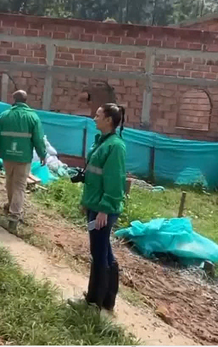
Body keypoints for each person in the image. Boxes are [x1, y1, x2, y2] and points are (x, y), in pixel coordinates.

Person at [80, 103, 127, 311]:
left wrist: (104, 209)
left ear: (108, 120)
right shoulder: (103, 141)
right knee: (104, 250)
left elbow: (115, 180)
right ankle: (107, 300)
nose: (94, 118)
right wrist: (87, 203)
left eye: (98, 115)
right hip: (95, 205)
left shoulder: (115, 146)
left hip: (102, 209)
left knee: (98, 252)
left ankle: (94, 301)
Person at [0, 90, 46, 230]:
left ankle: (11, 207)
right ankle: (14, 216)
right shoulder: (33, 117)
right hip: (23, 157)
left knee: (10, 182)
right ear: (26, 100)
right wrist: (42, 154)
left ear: (13, 99)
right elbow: (38, 139)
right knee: (19, 186)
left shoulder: (4, 116)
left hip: (7, 155)